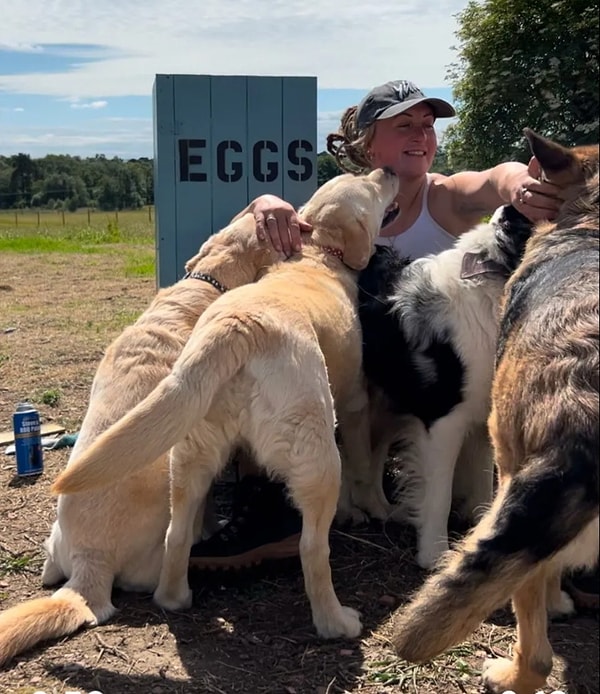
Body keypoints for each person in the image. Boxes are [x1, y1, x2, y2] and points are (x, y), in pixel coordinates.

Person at [188, 79, 564, 571]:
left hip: (415, 375)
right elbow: (264, 242)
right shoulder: (338, 203)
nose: (421, 135)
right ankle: (267, 511)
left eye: (427, 126)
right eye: (404, 124)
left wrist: (520, 185)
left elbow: (495, 179)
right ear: (368, 143)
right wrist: (262, 202)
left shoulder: (445, 196)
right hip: (339, 366)